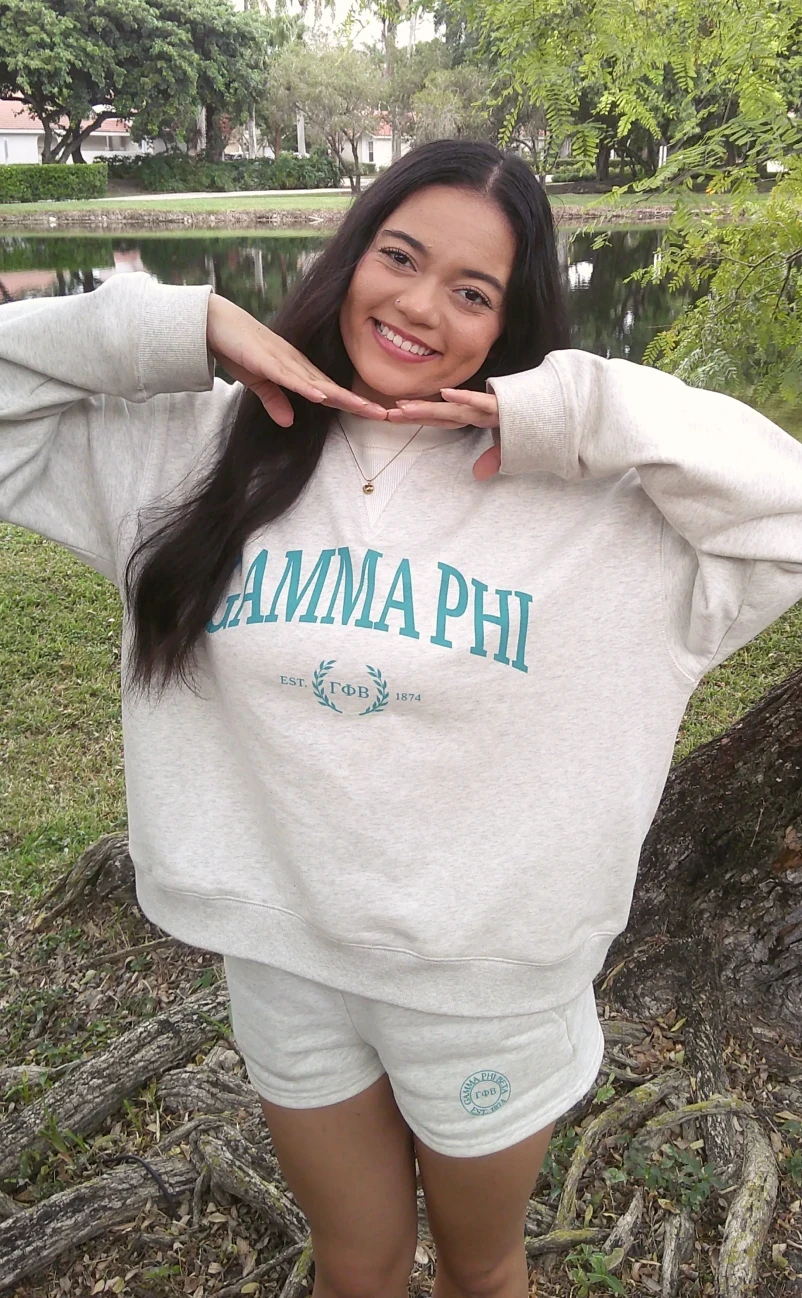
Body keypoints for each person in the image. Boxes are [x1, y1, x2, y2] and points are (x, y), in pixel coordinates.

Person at [1, 138, 801, 1298]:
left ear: (511, 320)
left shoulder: (603, 510)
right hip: (282, 958)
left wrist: (575, 405)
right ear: (350, 257)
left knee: (481, 1268)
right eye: (400, 256)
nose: (420, 305)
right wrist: (179, 326)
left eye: (472, 291)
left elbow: (785, 509)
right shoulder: (200, 444)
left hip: (482, 988)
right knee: (356, 1263)